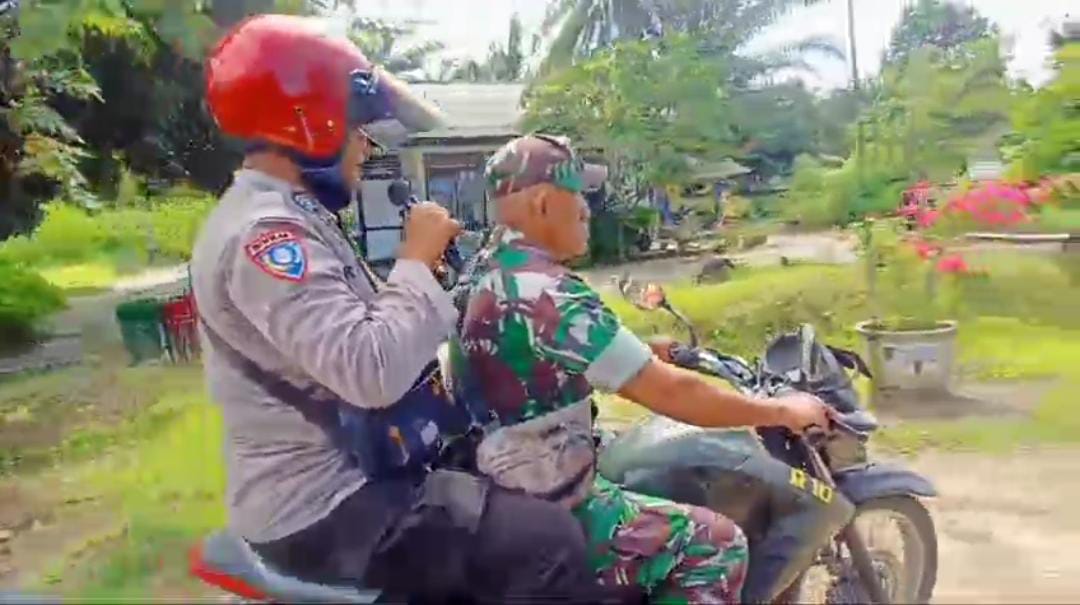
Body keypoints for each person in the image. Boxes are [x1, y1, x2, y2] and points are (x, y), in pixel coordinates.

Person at [192, 16, 631, 603]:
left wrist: (438, 283)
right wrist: (415, 260)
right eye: (358, 129)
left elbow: (375, 325)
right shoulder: (266, 237)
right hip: (324, 501)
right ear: (310, 123)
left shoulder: (294, 217)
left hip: (357, 465)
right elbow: (368, 369)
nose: (365, 145)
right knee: (546, 541)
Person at [450, 134, 847, 604]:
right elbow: (674, 395)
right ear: (541, 203)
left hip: (501, 485)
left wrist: (641, 352)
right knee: (715, 544)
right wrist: (777, 411)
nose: (586, 209)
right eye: (578, 194)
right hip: (553, 503)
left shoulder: (484, 271)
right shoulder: (545, 293)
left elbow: (540, 361)